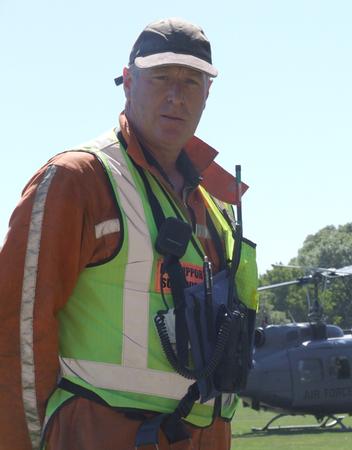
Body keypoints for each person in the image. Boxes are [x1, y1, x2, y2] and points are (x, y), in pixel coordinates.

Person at [0, 18, 258, 450]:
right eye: (160, 78)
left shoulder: (215, 203)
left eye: (192, 82)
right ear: (127, 83)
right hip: (99, 434)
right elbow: (14, 330)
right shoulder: (77, 180)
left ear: (208, 95)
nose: (175, 95)